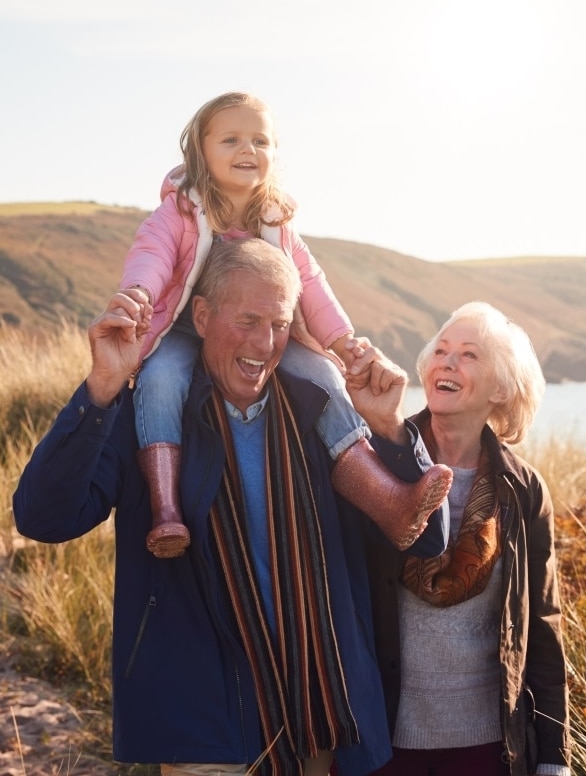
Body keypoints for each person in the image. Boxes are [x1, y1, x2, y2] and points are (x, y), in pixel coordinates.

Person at [13, 239, 450, 776]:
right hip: (202, 723)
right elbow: (43, 518)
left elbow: (427, 541)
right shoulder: (150, 421)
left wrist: (389, 429)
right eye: (246, 321)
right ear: (201, 315)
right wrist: (102, 387)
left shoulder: (322, 416)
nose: (265, 344)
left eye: (280, 324)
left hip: (321, 717)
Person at [118, 90, 451, 558]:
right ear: (200, 149)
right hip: (185, 328)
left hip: (264, 331)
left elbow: (310, 282)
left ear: (275, 154)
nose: (247, 150)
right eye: (231, 139)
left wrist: (342, 339)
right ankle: (166, 509)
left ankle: (388, 500)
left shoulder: (277, 222)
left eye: (260, 141)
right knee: (160, 379)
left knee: (325, 375)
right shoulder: (181, 211)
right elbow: (151, 254)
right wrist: (138, 294)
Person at [360, 302, 571, 776]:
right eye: (441, 351)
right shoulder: (376, 459)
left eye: (469, 355)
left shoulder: (524, 491)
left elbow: (542, 623)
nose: (447, 363)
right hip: (379, 742)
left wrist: (554, 755)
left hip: (489, 748)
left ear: (500, 388)